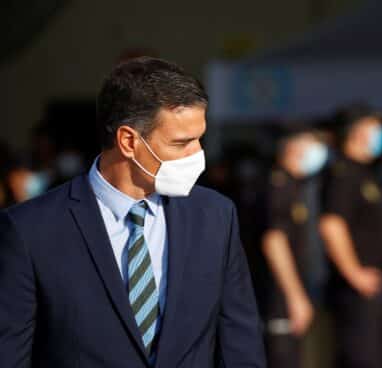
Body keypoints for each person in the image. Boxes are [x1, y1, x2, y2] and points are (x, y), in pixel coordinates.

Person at [0, 57, 265, 367]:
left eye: (199, 139)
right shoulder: (30, 230)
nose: (197, 154)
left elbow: (240, 345)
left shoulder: (215, 216)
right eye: (181, 143)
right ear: (128, 141)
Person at [319, 104, 382, 368]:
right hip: (358, 287)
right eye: (372, 126)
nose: (379, 133)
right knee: (364, 357)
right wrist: (354, 273)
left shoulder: (365, 172)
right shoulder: (344, 173)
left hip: (375, 282)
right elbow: (332, 225)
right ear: (356, 131)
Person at [262, 128, 329, 368]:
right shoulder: (278, 186)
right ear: (293, 148)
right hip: (279, 296)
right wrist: (294, 296)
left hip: (295, 288)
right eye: (312, 145)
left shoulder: (295, 186)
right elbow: (274, 241)